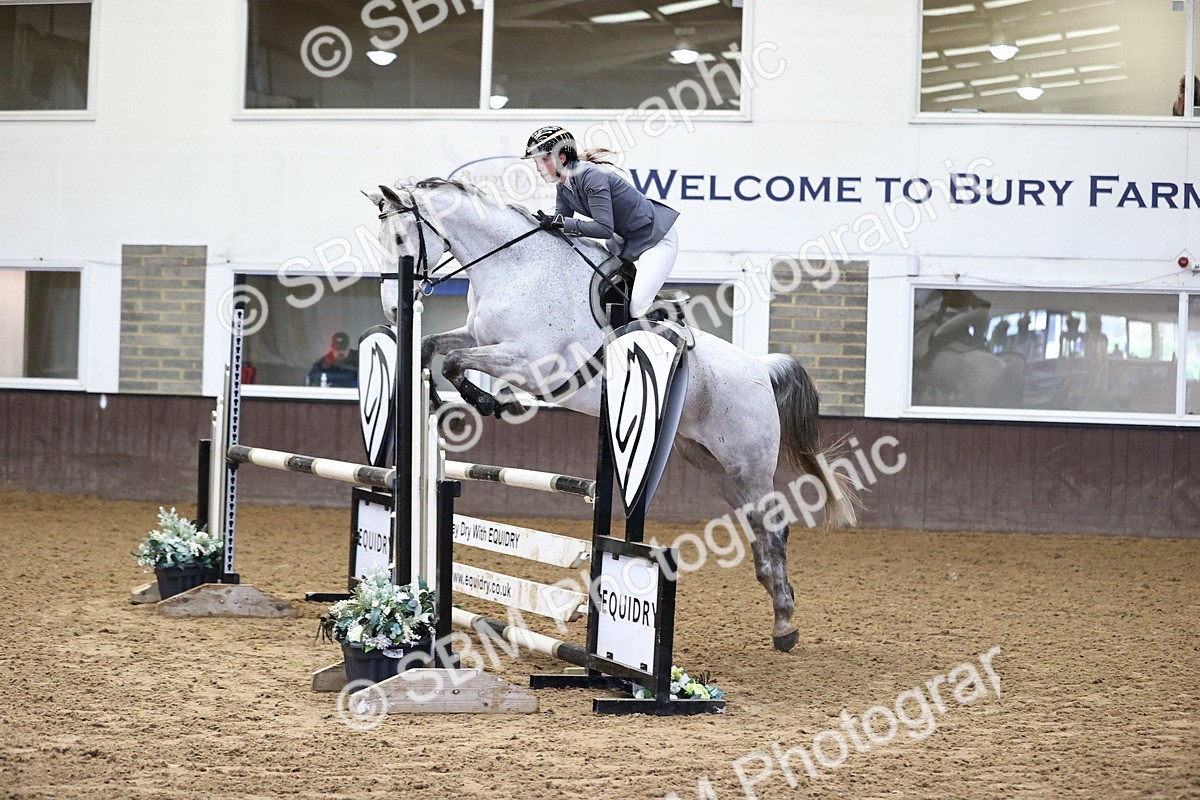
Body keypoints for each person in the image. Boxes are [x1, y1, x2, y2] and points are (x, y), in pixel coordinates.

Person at [523, 125, 680, 318]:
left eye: (543, 160)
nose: (538, 168)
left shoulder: (591, 176)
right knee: (603, 296)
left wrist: (560, 223)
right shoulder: (563, 187)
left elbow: (604, 228)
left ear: (561, 158)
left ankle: (673, 334)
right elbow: (559, 225)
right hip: (625, 243)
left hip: (657, 239)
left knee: (637, 306)